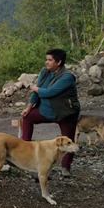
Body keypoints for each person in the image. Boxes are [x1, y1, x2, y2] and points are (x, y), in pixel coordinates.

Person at [20, 48, 80, 176]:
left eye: (50, 60)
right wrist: (29, 107)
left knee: (68, 139)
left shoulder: (67, 77)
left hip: (65, 114)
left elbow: (50, 92)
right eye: (46, 59)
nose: (46, 62)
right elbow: (35, 93)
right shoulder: (45, 72)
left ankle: (65, 167)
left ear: (58, 62)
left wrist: (36, 88)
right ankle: (25, 149)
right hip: (45, 111)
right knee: (27, 117)